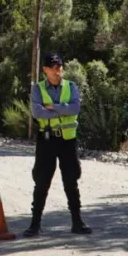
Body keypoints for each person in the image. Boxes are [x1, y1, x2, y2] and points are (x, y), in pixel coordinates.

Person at [24, 52, 92, 237]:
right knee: (42, 181)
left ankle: (77, 222)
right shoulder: (38, 89)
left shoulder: (71, 86)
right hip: (47, 140)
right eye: (54, 67)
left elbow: (75, 108)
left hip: (68, 141)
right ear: (45, 70)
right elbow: (37, 112)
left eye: (60, 66)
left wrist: (53, 107)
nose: (58, 70)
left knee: (71, 181)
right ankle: (35, 225)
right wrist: (63, 109)